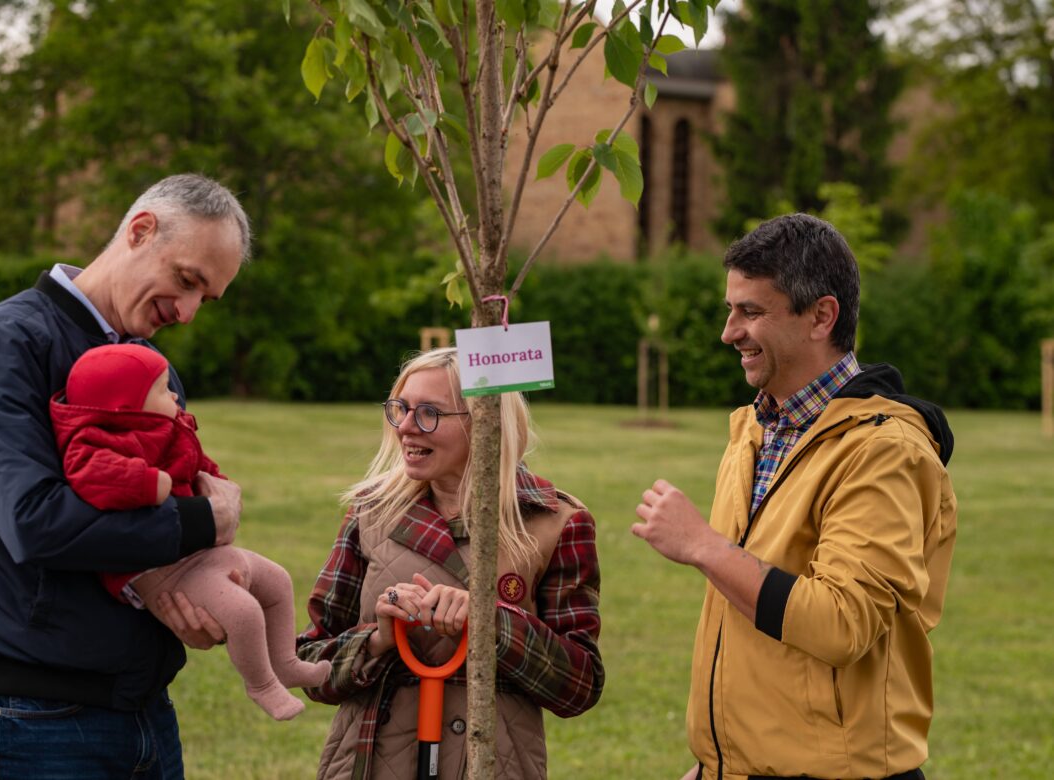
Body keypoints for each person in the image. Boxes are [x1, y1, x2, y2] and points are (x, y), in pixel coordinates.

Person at [0, 173, 252, 778]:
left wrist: (182, 590)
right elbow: (35, 521)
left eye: (204, 299)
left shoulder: (154, 371)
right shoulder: (6, 343)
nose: (186, 313)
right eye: (187, 281)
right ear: (139, 231)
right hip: (32, 715)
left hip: (145, 711)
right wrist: (200, 522)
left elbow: (153, 516)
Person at [632, 213, 957, 780]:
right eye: (730, 310)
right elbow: (754, 623)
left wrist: (705, 546)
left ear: (821, 317)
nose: (729, 332)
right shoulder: (753, 431)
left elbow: (840, 624)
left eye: (751, 312)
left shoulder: (884, 452)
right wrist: (716, 764)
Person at [296, 346, 604, 779]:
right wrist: (377, 640)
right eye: (400, 409)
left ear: (486, 424)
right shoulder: (370, 513)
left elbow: (580, 686)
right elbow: (309, 664)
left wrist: (491, 622)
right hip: (368, 765)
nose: (405, 427)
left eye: (428, 413)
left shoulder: (555, 523)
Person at [51, 343, 331, 720]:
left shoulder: (171, 428)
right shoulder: (97, 440)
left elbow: (200, 463)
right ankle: (261, 684)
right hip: (156, 567)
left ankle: (285, 662)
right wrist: (149, 483)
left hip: (198, 548)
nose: (174, 395)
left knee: (277, 581)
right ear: (127, 403)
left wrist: (217, 485)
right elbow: (91, 476)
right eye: (163, 388)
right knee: (243, 610)